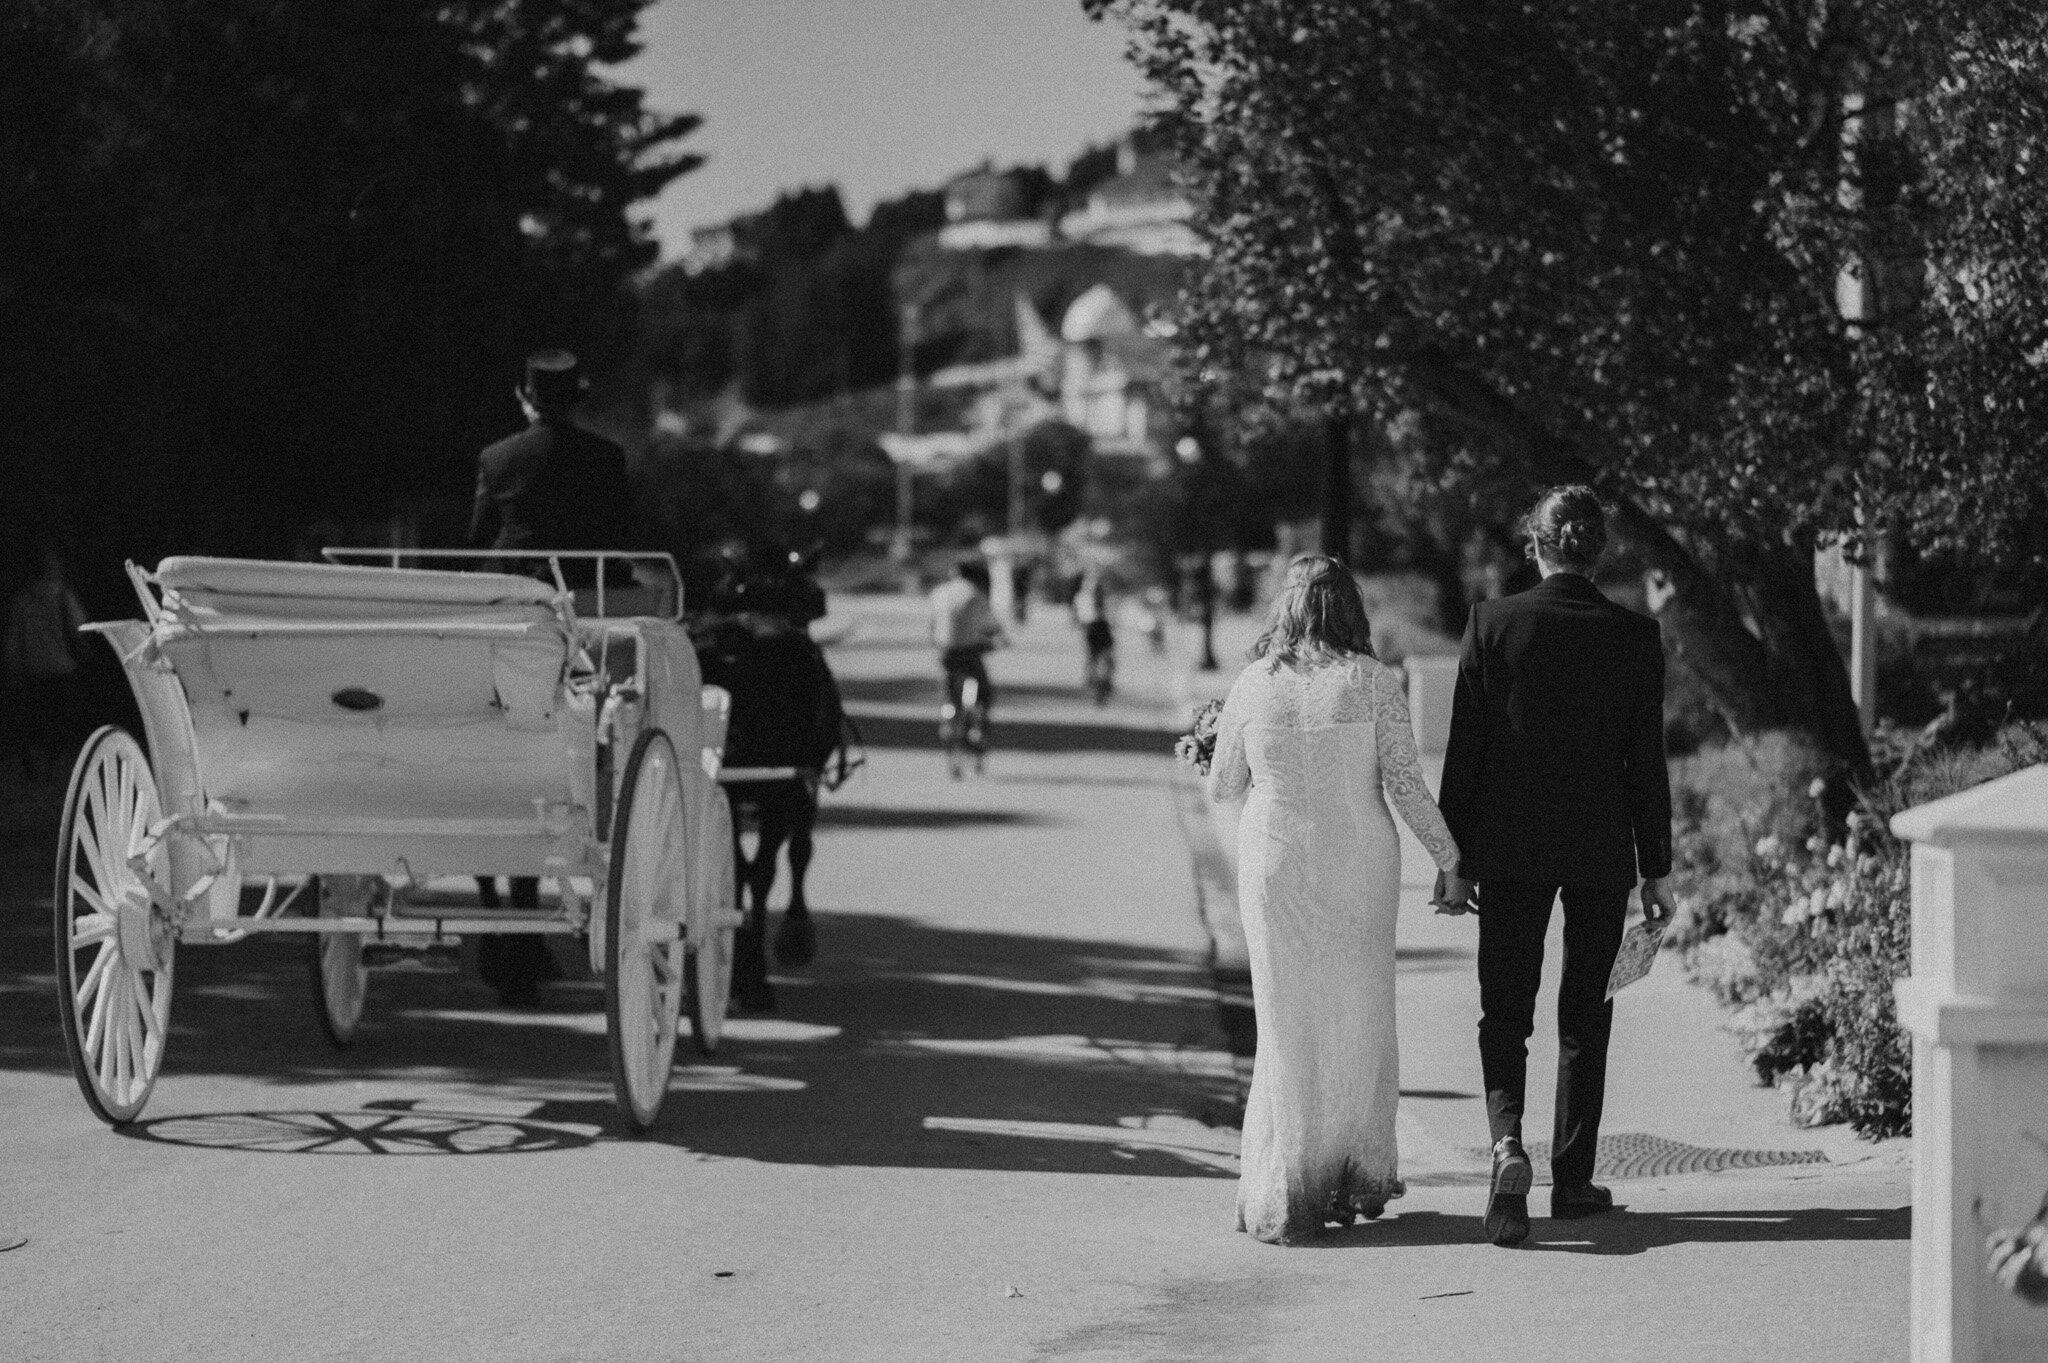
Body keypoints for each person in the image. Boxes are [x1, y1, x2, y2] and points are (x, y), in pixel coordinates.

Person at [1435, 485, 1676, 1248]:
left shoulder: (1493, 624)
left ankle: (1508, 1148)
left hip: (1508, 849)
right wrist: (1657, 867)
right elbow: (1649, 766)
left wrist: (1455, 860)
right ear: (1596, 550)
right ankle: (1573, 1179)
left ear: (1534, 544)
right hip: (1601, 851)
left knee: (1505, 1009)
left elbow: (1465, 756)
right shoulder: (1636, 636)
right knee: (1585, 1016)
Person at [1206, 555, 1463, 1244]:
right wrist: (1451, 859)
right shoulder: (1372, 682)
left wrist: (1219, 746)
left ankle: (1286, 1183)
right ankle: (1349, 1173)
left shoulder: (1252, 684)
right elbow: (1406, 785)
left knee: (1285, 1022)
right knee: (1359, 1012)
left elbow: (1224, 785)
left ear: (1282, 610)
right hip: (1358, 858)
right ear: (1351, 609)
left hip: (1276, 859)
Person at [468, 349, 635, 1006]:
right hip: (587, 611)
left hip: (512, 606)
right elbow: (622, 532)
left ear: (524, 398)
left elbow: (476, 539)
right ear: (579, 399)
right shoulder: (607, 458)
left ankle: (505, 917)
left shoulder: (498, 457)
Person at [4, 547, 88, 784]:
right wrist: (84, 656)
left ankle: (36, 768)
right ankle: (53, 770)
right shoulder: (62, 595)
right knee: (60, 721)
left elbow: (12, 641)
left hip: (33, 671)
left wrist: (14, 668)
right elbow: (79, 629)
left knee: (36, 721)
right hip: (61, 668)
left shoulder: (22, 600)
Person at [928, 557, 1004, 728]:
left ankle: (946, 716)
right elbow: (990, 624)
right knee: (982, 688)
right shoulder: (974, 593)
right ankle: (979, 723)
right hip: (969, 649)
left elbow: (932, 624)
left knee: (947, 685)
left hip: (945, 649)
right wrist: (996, 639)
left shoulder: (938, 592)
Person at [1072, 570, 1114, 702]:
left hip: (1089, 627)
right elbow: (1103, 612)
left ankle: (1095, 682)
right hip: (1098, 626)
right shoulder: (1094, 595)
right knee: (1104, 658)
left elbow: (1077, 618)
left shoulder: (1080, 597)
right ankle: (1100, 684)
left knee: (1094, 658)